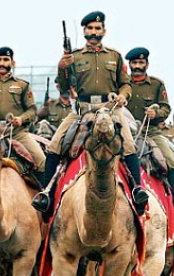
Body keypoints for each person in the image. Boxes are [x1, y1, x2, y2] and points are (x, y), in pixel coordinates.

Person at [32, 11, 148, 214]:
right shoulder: (74, 56)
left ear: (104, 31)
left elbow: (125, 84)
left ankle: (137, 190)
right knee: (54, 146)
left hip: (110, 109)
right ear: (85, 31)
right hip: (81, 110)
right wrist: (61, 68)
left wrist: (123, 96)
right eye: (90, 29)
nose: (94, 32)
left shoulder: (114, 56)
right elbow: (64, 87)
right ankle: (47, 196)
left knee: (129, 145)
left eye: (97, 28)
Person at [125, 46, 174, 219]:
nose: (137, 66)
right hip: (127, 131)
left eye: (141, 62)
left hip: (152, 132)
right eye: (134, 63)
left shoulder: (157, 84)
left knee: (170, 161)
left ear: (147, 64)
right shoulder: (123, 84)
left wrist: (156, 113)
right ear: (130, 64)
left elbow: (166, 108)